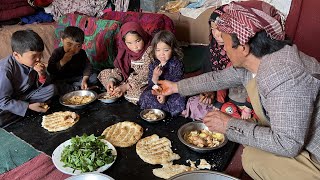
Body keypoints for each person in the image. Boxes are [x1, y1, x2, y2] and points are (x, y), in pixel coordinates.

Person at [154, 1, 320, 179]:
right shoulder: (261, 58)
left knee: (252, 158)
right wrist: (176, 87)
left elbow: (288, 144)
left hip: (314, 154)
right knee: (251, 145)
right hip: (298, 138)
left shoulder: (284, 77)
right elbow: (218, 78)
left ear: (243, 47)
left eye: (225, 43)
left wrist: (228, 125)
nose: (223, 48)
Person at [181, 6, 253, 121]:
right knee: (194, 104)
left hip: (244, 101)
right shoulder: (212, 49)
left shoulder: (242, 51)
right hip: (220, 101)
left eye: (220, 29)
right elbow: (209, 78)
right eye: (213, 29)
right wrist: (208, 92)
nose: (216, 34)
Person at [0, 30, 56, 127]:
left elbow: (37, 86)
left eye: (40, 55)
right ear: (16, 55)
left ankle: (27, 110)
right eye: (34, 56)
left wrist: (41, 74)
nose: (38, 59)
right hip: (7, 101)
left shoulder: (30, 62)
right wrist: (28, 106)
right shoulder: (5, 70)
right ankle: (30, 109)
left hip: (25, 96)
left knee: (52, 89)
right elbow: (3, 101)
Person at [98, 22, 152, 104]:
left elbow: (146, 74)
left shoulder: (150, 49)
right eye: (129, 43)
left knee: (139, 94)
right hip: (131, 76)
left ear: (143, 36)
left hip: (146, 79)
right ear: (124, 43)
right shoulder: (125, 50)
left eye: (138, 41)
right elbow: (121, 69)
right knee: (104, 74)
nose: (134, 46)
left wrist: (126, 86)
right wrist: (112, 80)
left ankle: (121, 90)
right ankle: (116, 88)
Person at [138, 30, 185, 116]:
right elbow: (151, 84)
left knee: (179, 99)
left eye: (166, 50)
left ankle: (166, 111)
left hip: (172, 92)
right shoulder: (154, 64)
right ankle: (158, 110)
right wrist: (155, 77)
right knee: (146, 95)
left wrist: (165, 95)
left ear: (173, 50)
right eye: (158, 50)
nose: (161, 54)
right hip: (157, 90)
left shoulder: (176, 64)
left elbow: (177, 83)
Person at [47, 26, 97, 95]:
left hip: (77, 77)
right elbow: (50, 70)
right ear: (62, 40)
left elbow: (87, 66)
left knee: (94, 77)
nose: (73, 49)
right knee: (52, 83)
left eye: (78, 46)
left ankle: (77, 87)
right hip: (62, 79)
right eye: (69, 44)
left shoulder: (81, 53)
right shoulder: (57, 52)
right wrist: (62, 61)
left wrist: (84, 79)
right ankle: (77, 88)